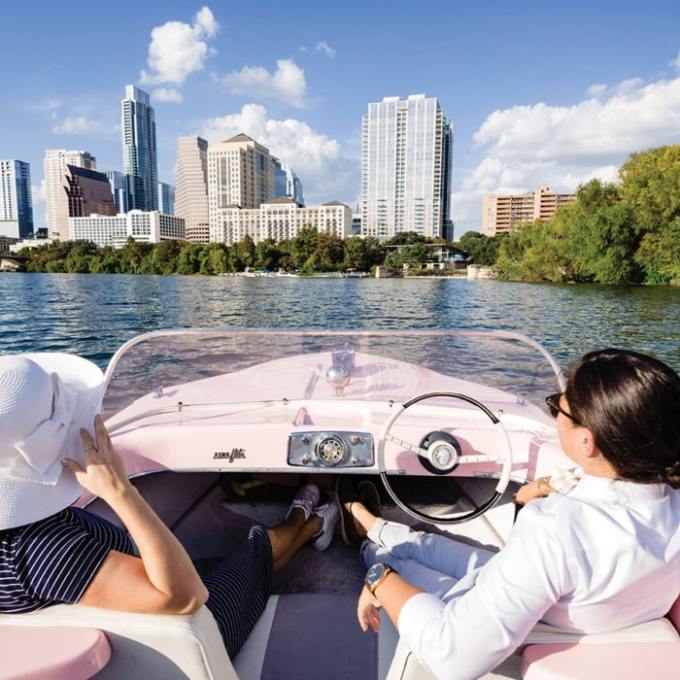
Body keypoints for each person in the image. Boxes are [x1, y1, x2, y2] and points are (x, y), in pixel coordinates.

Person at [341, 349, 680, 680]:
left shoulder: (557, 528)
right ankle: (370, 523)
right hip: (556, 601)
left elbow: (451, 656)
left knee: (399, 563)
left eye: (556, 407)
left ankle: (367, 548)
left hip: (514, 611)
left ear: (586, 442)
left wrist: (379, 579)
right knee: (423, 543)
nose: (554, 413)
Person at [0, 353, 339, 659]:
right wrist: (120, 491)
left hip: (133, 624)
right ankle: (309, 518)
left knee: (223, 558)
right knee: (257, 544)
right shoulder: (39, 549)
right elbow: (186, 596)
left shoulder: (25, 546)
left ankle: (312, 517)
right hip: (197, 637)